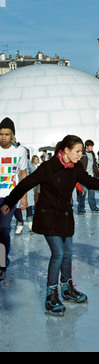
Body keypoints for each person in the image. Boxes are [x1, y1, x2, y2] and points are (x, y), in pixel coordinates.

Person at [0, 135, 99, 315]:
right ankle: (51, 295)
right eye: (78, 151)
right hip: (48, 215)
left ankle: (67, 288)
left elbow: (92, 182)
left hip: (65, 216)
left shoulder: (75, 167)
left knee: (68, 253)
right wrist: (10, 202)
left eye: (82, 151)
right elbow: (26, 183)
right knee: (58, 253)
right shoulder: (48, 167)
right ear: (66, 150)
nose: (81, 155)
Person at [0, 117, 28, 281]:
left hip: (9, 197)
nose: (3, 137)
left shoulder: (20, 151)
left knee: (3, 229)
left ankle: (2, 264)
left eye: (7, 134)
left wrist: (24, 197)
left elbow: (23, 175)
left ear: (12, 136)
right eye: (1, 134)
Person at [77, 139, 99, 214]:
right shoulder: (82, 153)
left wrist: (97, 174)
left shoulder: (93, 153)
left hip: (92, 177)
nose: (92, 148)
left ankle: (93, 207)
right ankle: (81, 208)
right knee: (83, 193)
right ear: (86, 146)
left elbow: (95, 165)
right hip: (83, 177)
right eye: (90, 146)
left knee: (92, 193)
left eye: (92, 146)